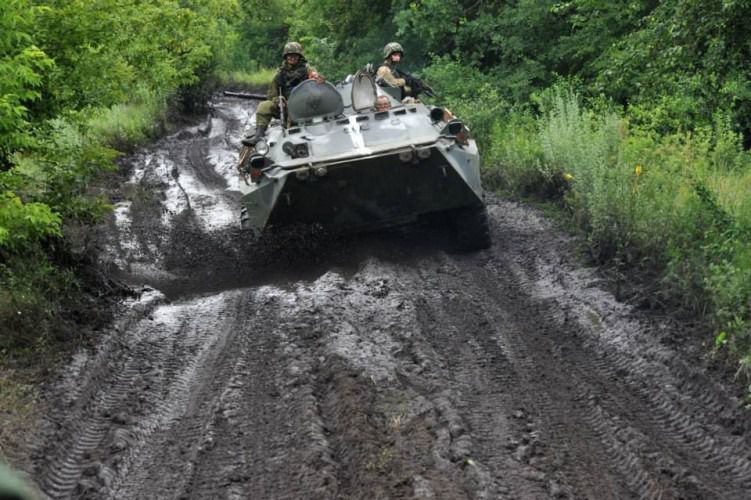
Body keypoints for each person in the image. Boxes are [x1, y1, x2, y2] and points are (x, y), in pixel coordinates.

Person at [244, 42, 324, 145]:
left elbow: (319, 85)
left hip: (306, 107)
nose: (292, 58)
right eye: (289, 55)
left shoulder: (308, 70)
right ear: (285, 57)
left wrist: (317, 79)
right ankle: (258, 136)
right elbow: (271, 94)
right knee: (264, 106)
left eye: (295, 55)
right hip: (286, 107)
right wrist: (278, 100)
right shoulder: (280, 74)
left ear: (300, 57)